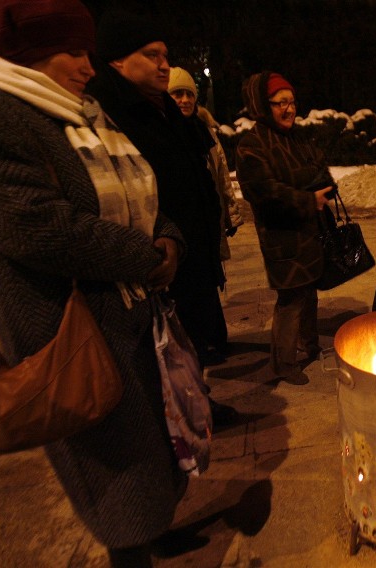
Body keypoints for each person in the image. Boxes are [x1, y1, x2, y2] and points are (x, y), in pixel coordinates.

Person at [0, 0, 187, 564]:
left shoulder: (79, 111)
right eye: (72, 51)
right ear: (28, 53)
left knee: (153, 442)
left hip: (128, 311)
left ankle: (156, 530)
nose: (87, 65)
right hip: (75, 332)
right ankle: (132, 550)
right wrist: (143, 255)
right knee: (114, 461)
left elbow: (137, 184)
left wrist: (167, 236)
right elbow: (38, 228)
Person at [85, 11, 237, 424]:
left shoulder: (165, 106)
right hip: (160, 257)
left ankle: (196, 403)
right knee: (168, 343)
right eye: (151, 55)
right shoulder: (107, 111)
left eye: (166, 54)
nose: (164, 64)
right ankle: (178, 417)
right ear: (118, 59)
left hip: (194, 246)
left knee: (193, 338)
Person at [235, 71, 335, 384]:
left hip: (309, 235)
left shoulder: (295, 138)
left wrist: (311, 186)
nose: (289, 109)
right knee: (290, 301)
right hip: (283, 239)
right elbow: (265, 193)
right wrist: (309, 198)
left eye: (292, 102)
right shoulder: (251, 146)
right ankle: (284, 363)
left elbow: (320, 169)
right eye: (280, 103)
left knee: (309, 295)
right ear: (263, 107)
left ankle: (310, 343)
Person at [168, 66, 244, 263]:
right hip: (181, 226)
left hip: (209, 221)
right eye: (177, 94)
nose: (185, 100)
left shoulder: (205, 132)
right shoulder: (163, 132)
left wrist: (230, 215)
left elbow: (222, 176)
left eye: (189, 94)